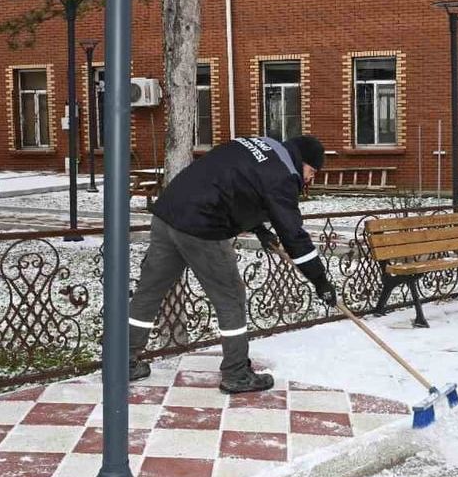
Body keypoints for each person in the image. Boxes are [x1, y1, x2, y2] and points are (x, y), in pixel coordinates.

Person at [127, 134, 337, 394]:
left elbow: (235, 186)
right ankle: (236, 373)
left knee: (150, 290)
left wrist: (260, 229)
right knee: (232, 298)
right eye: (312, 170)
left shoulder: (259, 145)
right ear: (302, 161)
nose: (310, 178)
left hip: (168, 213)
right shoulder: (283, 176)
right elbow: (294, 236)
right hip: (202, 226)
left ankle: (125, 359)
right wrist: (320, 280)